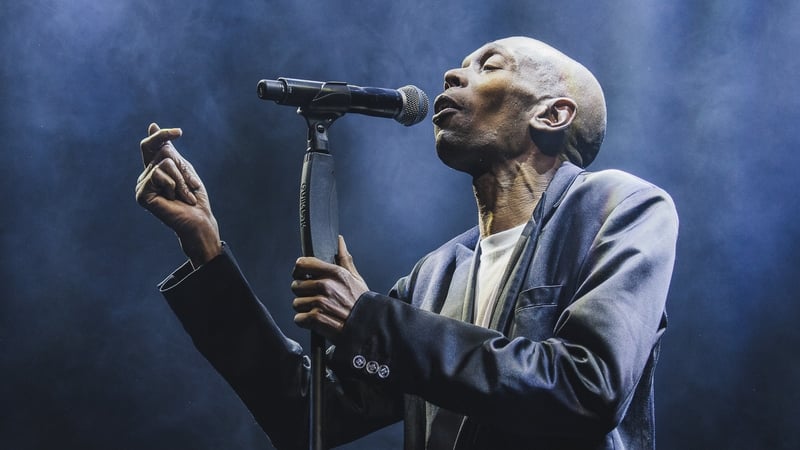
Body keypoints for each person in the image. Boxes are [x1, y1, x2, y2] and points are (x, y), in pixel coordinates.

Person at [135, 36, 678, 450]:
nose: (452, 73)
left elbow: (588, 386)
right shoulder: (436, 275)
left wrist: (370, 321)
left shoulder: (621, 208)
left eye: (487, 65)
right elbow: (306, 415)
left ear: (552, 113)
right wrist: (206, 249)